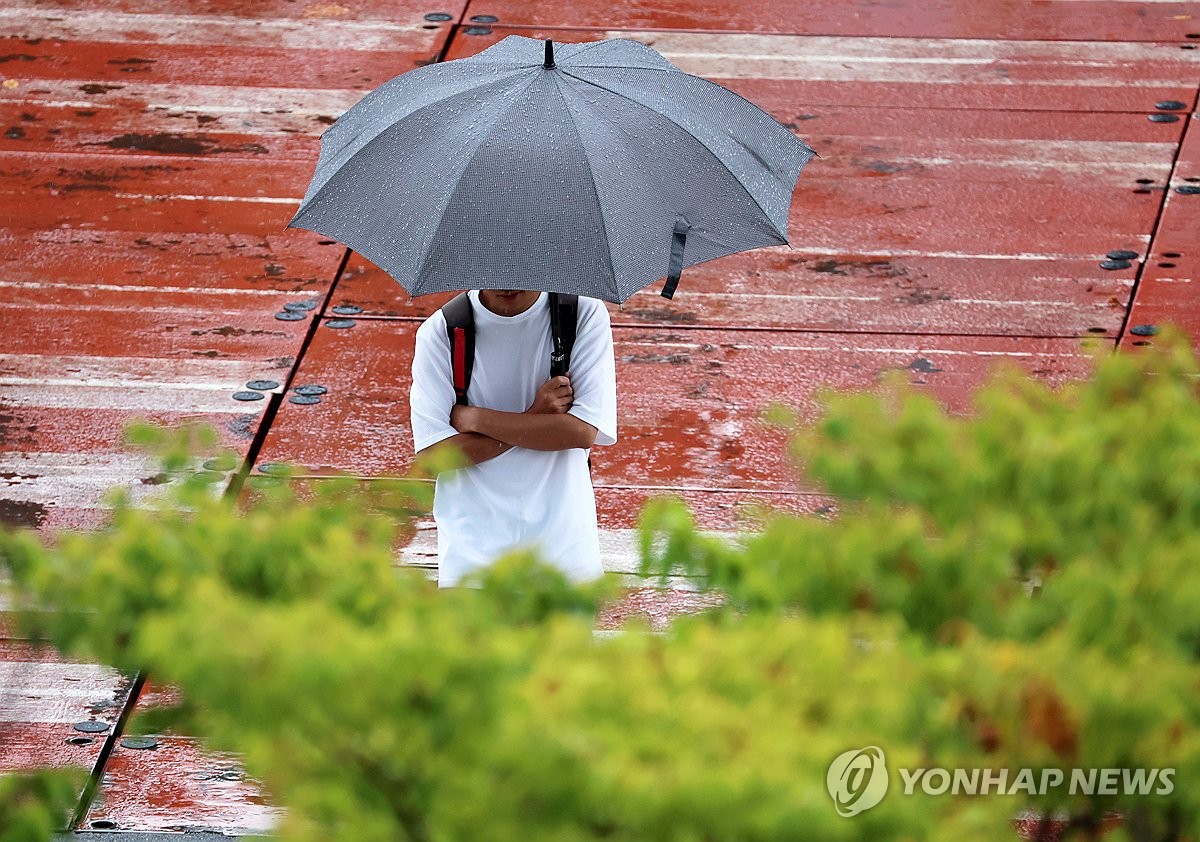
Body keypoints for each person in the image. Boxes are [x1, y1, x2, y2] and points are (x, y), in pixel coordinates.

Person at [409, 288, 617, 588]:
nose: (507, 284)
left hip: (565, 555)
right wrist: (536, 415)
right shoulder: (442, 332)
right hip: (472, 559)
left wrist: (477, 418)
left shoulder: (580, 314)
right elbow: (433, 458)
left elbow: (582, 431)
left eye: (520, 266)